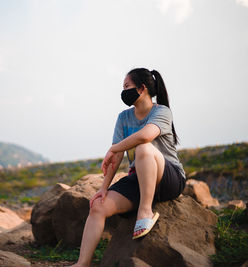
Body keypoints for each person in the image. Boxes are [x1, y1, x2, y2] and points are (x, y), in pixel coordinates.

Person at [69, 68, 186, 267]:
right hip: (138, 179)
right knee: (98, 207)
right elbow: (115, 157)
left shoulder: (161, 111)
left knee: (142, 148)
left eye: (126, 87)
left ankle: (145, 210)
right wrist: (103, 188)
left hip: (168, 178)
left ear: (142, 89)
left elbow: (145, 136)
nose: (123, 92)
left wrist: (113, 147)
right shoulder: (124, 118)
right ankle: (83, 263)